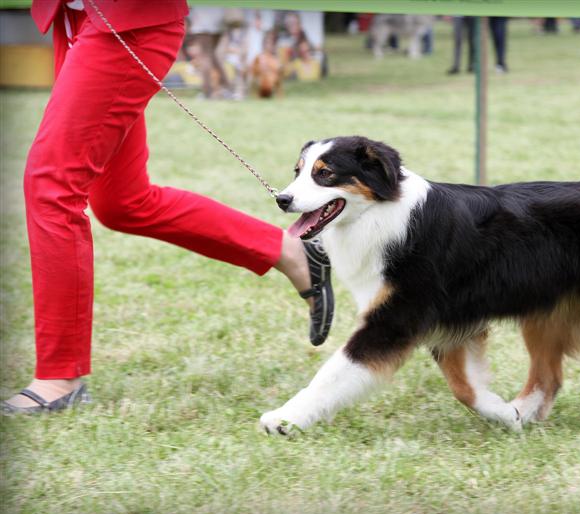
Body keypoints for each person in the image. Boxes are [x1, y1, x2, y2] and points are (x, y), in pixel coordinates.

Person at [2, 0, 334, 414]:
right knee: (123, 203)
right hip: (81, 18)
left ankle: (59, 377)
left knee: (50, 185)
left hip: (127, 21)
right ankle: (287, 250)